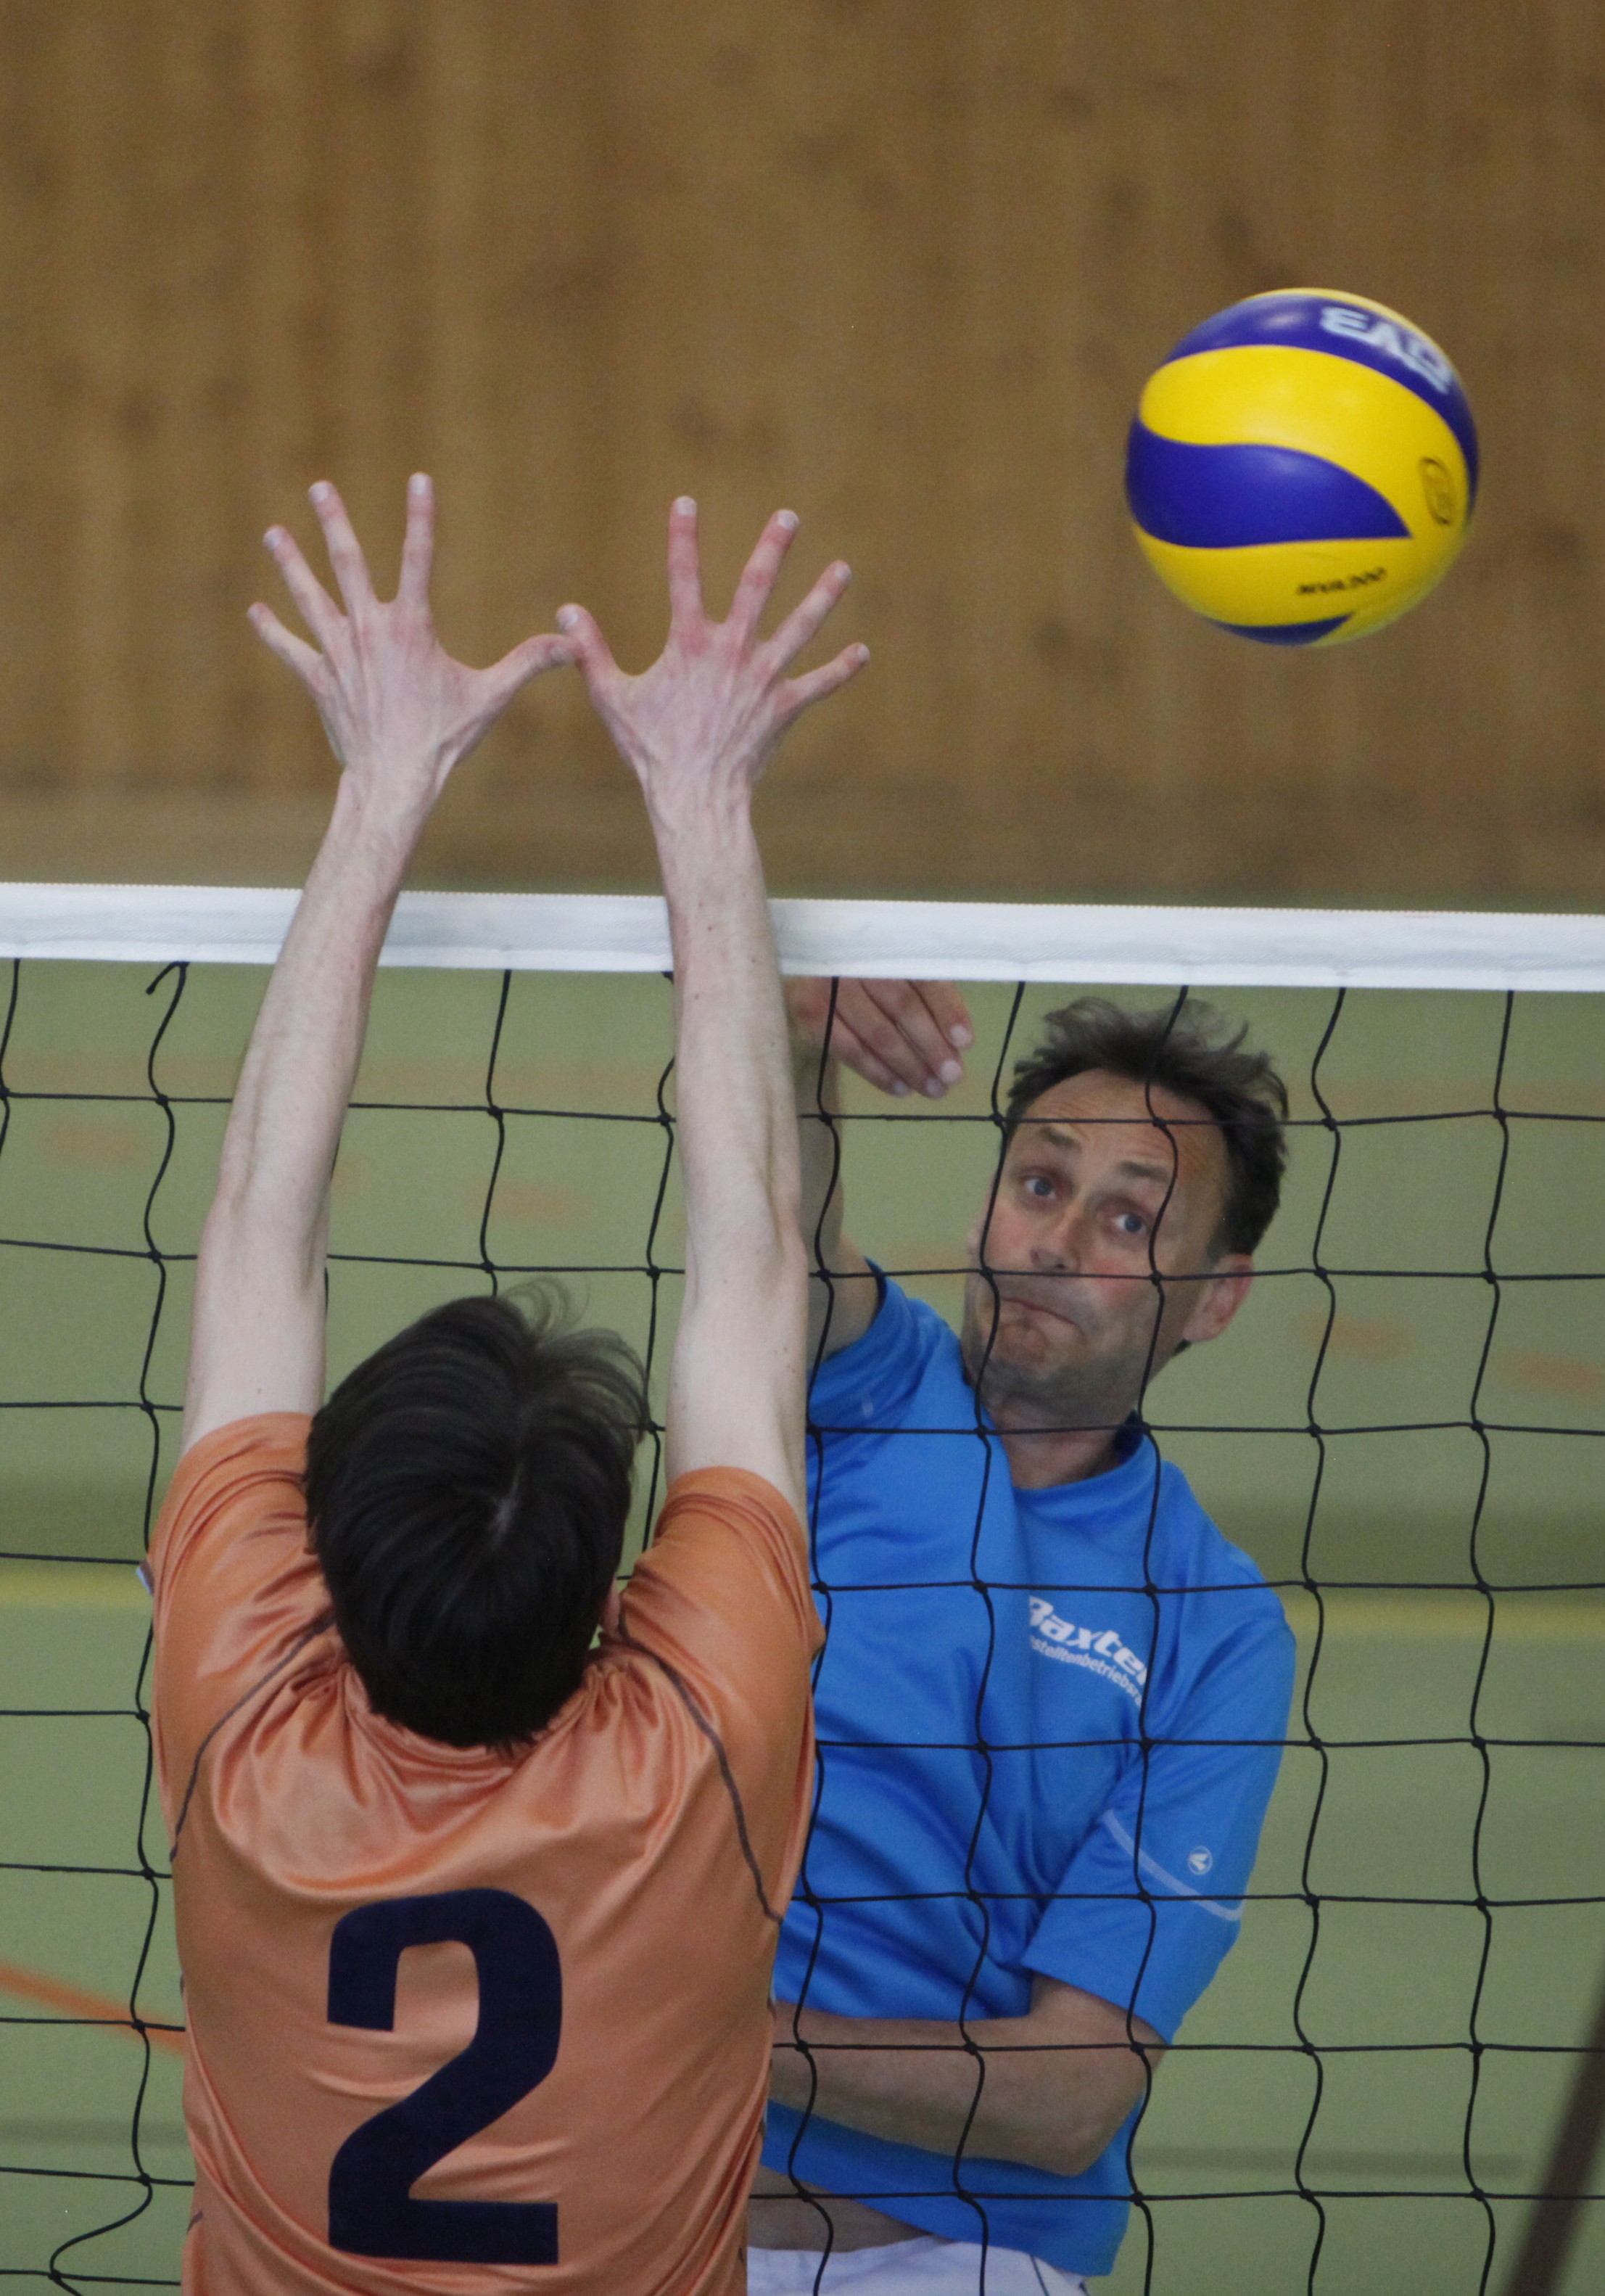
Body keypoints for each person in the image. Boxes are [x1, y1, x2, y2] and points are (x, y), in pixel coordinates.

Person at [149, 479, 866, 2296]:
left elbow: (254, 1225)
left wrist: (378, 781)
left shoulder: (247, 1726)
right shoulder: (692, 1746)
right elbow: (759, 1265)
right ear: (612, 1585)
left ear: (319, 1561)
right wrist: (702, 798)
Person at [747, 982, 1300, 2294]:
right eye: (1039, 1184)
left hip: (958, 2261)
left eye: (1128, 1218)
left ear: (1215, 1298)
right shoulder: (865, 1386)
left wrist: (707, 2028)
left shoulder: (1216, 1626)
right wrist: (790, 1034)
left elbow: (1068, 2097)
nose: (1054, 1241)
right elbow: (773, 1214)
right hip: (647, 2217)